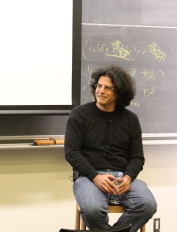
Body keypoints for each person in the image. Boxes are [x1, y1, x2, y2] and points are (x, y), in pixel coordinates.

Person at [64, 65, 157, 232]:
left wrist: (128, 177)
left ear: (119, 93)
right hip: (89, 176)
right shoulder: (79, 114)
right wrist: (95, 177)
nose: (101, 91)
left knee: (148, 205)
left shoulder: (131, 119)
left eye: (108, 88)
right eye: (99, 86)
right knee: (93, 210)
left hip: (121, 178)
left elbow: (137, 157)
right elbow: (71, 153)